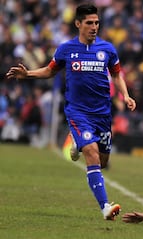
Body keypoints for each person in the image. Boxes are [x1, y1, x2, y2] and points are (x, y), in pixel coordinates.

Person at [6, 4, 136, 220]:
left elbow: (117, 75)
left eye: (96, 23)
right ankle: (105, 207)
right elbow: (49, 71)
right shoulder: (66, 49)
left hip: (103, 113)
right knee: (92, 153)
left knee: (102, 161)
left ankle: (76, 142)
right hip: (78, 112)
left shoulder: (108, 49)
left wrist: (126, 95)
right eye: (89, 23)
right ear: (78, 24)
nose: (94, 27)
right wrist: (27, 73)